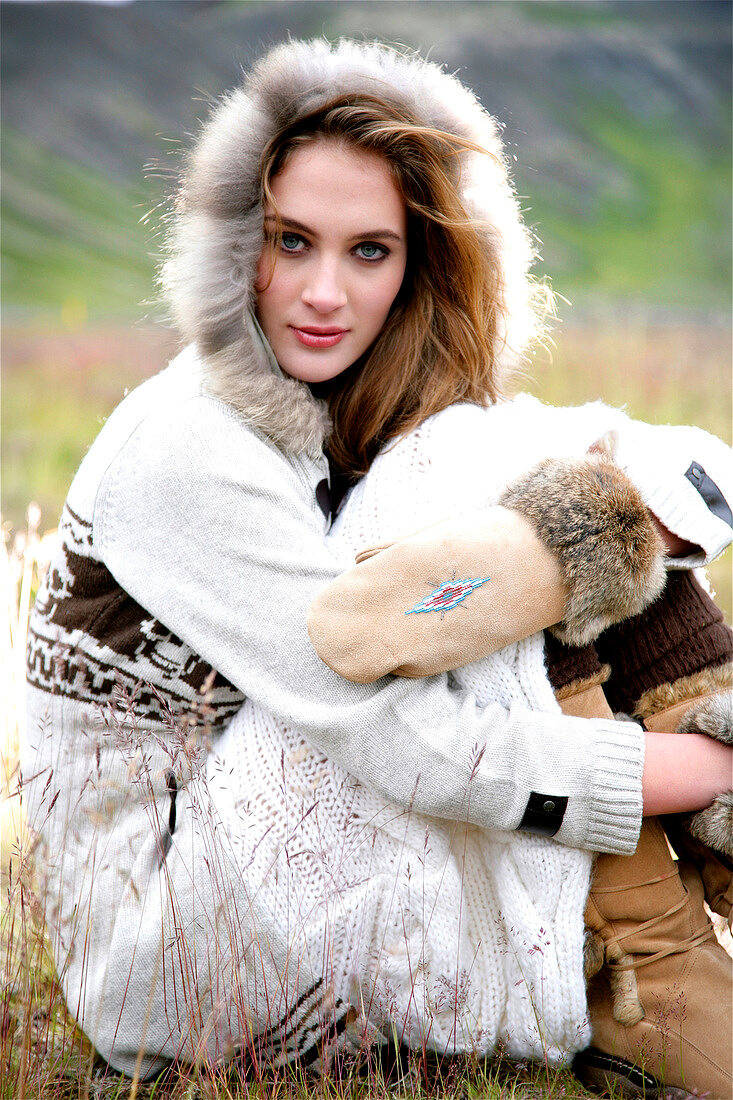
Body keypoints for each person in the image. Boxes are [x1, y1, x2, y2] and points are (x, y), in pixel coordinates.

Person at [22, 37, 732, 1094]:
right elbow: (385, 735)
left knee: (504, 472)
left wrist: (683, 494)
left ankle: (672, 950)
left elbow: (611, 447)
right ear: (231, 245)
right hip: (160, 946)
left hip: (258, 842)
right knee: (470, 488)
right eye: (289, 241)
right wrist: (671, 773)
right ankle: (653, 965)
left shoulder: (337, 408)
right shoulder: (184, 444)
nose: (321, 291)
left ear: (421, 265)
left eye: (369, 251)